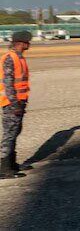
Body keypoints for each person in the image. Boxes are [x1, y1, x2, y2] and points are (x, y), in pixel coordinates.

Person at [1, 31, 32, 179]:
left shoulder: (19, 58)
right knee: (9, 134)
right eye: (28, 41)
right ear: (21, 43)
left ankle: (12, 164)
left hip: (19, 102)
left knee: (15, 132)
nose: (29, 44)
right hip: (11, 104)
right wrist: (14, 105)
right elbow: (8, 84)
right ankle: (4, 168)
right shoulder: (10, 58)